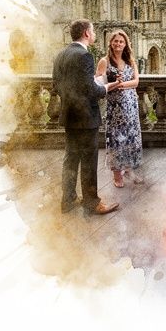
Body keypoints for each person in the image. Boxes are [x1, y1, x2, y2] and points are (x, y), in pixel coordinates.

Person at [52, 19, 120, 215]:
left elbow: (56, 86)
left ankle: (68, 200)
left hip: (69, 115)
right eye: (93, 31)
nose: (95, 34)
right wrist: (107, 86)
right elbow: (91, 91)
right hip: (86, 117)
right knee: (89, 161)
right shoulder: (85, 56)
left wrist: (78, 92)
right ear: (86, 34)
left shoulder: (61, 55)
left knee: (70, 159)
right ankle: (92, 203)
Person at [96, 30, 144, 188]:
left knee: (131, 138)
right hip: (115, 108)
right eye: (115, 41)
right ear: (110, 43)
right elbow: (98, 84)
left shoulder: (130, 60)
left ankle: (129, 170)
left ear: (126, 44)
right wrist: (113, 85)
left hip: (130, 106)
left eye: (121, 41)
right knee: (116, 140)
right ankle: (117, 175)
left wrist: (121, 84)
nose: (118, 44)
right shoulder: (105, 62)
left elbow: (136, 82)